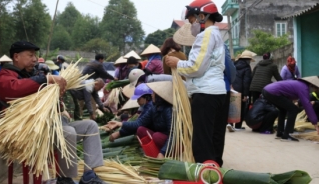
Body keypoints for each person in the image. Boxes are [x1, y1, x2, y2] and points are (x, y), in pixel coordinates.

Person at [0, 41, 106, 184]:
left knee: (90, 126)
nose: (35, 59)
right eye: (30, 55)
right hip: (30, 132)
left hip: (50, 126)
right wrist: (46, 79)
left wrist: (58, 100)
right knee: (68, 132)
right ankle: (65, 179)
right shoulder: (5, 75)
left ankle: (89, 175)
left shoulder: (34, 73)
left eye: (35, 55)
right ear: (16, 57)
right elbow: (13, 89)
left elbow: (53, 105)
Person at [165, 0, 226, 164]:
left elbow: (196, 67)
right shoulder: (217, 35)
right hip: (218, 93)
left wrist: (177, 63)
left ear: (202, 16)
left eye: (191, 21)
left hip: (206, 93)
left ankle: (205, 175)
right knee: (215, 139)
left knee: (202, 142)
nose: (191, 25)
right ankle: (215, 172)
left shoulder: (206, 35)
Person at [108, 82, 172, 159]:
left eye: (154, 93)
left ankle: (161, 155)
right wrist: (120, 124)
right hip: (159, 137)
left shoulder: (168, 110)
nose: (152, 95)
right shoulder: (153, 108)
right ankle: (153, 155)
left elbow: (172, 134)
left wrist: (162, 152)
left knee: (156, 136)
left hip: (169, 142)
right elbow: (139, 123)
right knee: (141, 129)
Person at [262, 76, 319, 141]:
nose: (315, 90)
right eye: (316, 88)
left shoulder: (299, 83)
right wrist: (315, 124)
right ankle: (286, 135)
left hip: (266, 90)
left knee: (283, 109)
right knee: (293, 110)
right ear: (312, 85)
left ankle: (280, 133)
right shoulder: (304, 88)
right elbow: (307, 105)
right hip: (273, 92)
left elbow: (288, 94)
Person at [229, 50, 254, 131]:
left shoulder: (234, 64)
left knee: (232, 106)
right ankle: (238, 126)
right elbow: (246, 82)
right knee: (241, 108)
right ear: (248, 60)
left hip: (232, 89)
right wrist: (246, 95)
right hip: (241, 90)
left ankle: (230, 124)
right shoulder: (247, 68)